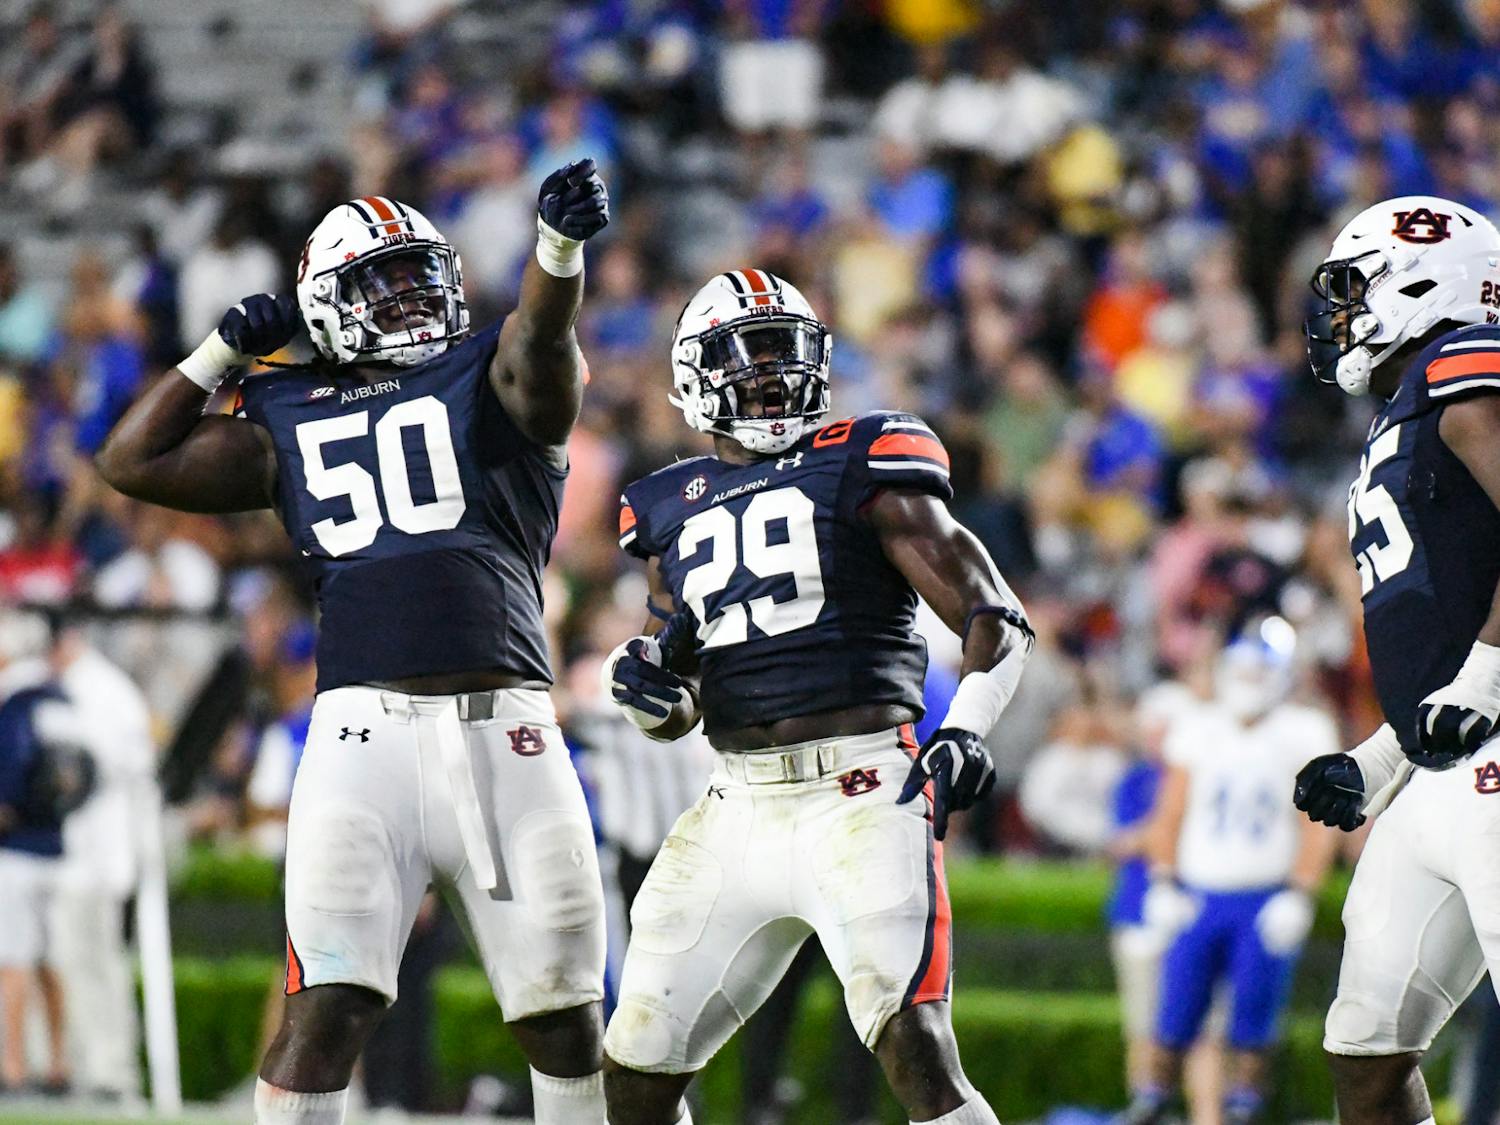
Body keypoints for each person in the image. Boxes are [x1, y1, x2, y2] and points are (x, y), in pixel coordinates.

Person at [95, 161, 612, 1125]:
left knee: (566, 1013)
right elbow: (131, 461)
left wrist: (558, 252)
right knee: (325, 1005)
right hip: (361, 737)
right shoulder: (286, 408)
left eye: (422, 274)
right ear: (327, 305)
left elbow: (544, 340)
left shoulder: (490, 368)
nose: (413, 295)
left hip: (507, 729)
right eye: (383, 282)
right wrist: (217, 353)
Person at [599, 269, 1032, 1125]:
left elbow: (996, 615)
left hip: (863, 792)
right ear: (693, 377)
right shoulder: (665, 509)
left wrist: (968, 726)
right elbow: (679, 703)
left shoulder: (865, 457)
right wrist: (650, 694)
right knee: (637, 1066)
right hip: (735, 803)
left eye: (782, 350)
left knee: (914, 1044)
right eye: (746, 354)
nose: (768, 372)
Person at [1293, 195, 1500, 1125]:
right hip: (1442, 776)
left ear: (1424, 280)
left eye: (1355, 287)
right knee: (1366, 1050)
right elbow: (1443, 633)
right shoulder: (1404, 411)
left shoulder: (1465, 362)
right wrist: (1379, 761)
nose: (1339, 313)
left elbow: (1472, 668)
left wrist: (1484, 683)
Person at [1123, 622, 1340, 1125]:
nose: (1248, 680)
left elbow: (1317, 824)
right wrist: (1162, 879)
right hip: (1200, 895)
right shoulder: (1198, 727)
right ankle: (1151, 1101)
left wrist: (1300, 893)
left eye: (1260, 671)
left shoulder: (1303, 732)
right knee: (1173, 1015)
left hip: (1264, 897)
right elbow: (1171, 811)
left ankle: (1246, 1110)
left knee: (1253, 1022)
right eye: (1241, 670)